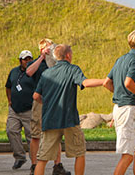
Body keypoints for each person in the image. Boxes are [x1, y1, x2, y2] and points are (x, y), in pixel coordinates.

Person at [32, 44, 105, 175]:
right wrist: (104, 81)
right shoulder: (73, 70)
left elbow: (36, 96)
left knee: (42, 159)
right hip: (69, 120)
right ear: (68, 55)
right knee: (80, 153)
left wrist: (47, 102)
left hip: (50, 120)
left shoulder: (46, 73)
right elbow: (85, 83)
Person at [103, 30, 135, 175]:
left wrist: (119, 95)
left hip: (122, 108)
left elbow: (107, 83)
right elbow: (129, 82)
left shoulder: (120, 59)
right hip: (128, 110)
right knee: (127, 156)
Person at [26, 39, 70, 175]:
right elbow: (29, 72)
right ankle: (34, 165)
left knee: (55, 133)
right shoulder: (36, 63)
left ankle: (58, 165)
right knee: (36, 134)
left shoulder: (55, 63)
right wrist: (42, 57)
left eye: (51, 47)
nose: (50, 50)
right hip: (39, 101)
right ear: (41, 49)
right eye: (47, 48)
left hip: (54, 100)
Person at [5, 50, 35, 170]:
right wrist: (9, 100)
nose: (27, 61)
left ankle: (35, 162)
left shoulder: (35, 73)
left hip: (29, 109)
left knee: (31, 137)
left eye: (29, 59)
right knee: (11, 130)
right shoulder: (13, 72)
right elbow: (8, 87)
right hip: (14, 109)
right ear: (20, 60)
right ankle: (20, 157)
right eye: (25, 59)